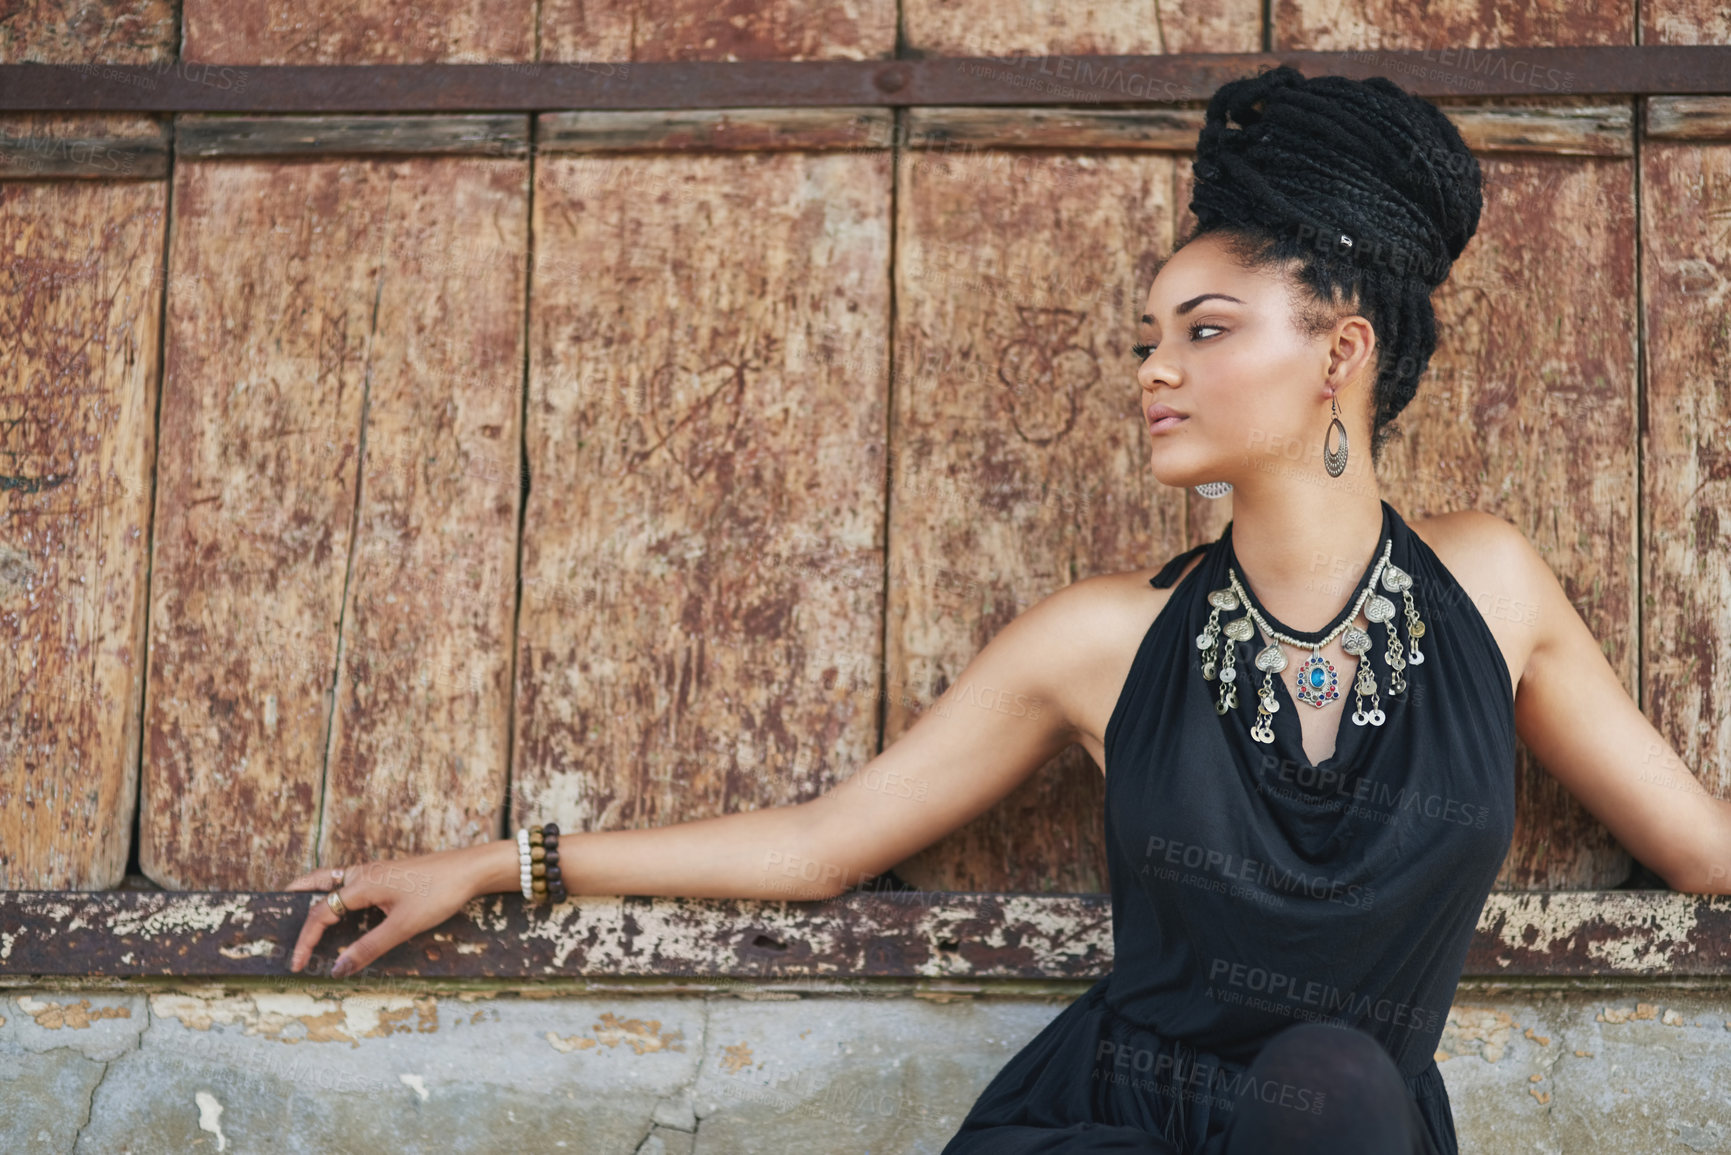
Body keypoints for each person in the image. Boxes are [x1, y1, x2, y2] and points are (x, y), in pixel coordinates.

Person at [285, 63, 1723, 1154]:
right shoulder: (1103, 643)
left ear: (1340, 351)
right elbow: (820, 847)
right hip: (1120, 1119)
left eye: (1204, 331)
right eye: (1147, 339)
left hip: (1340, 1131)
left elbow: (1705, 850)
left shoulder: (1493, 587)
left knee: (1341, 1082)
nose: (1154, 369)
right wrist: (496, 864)